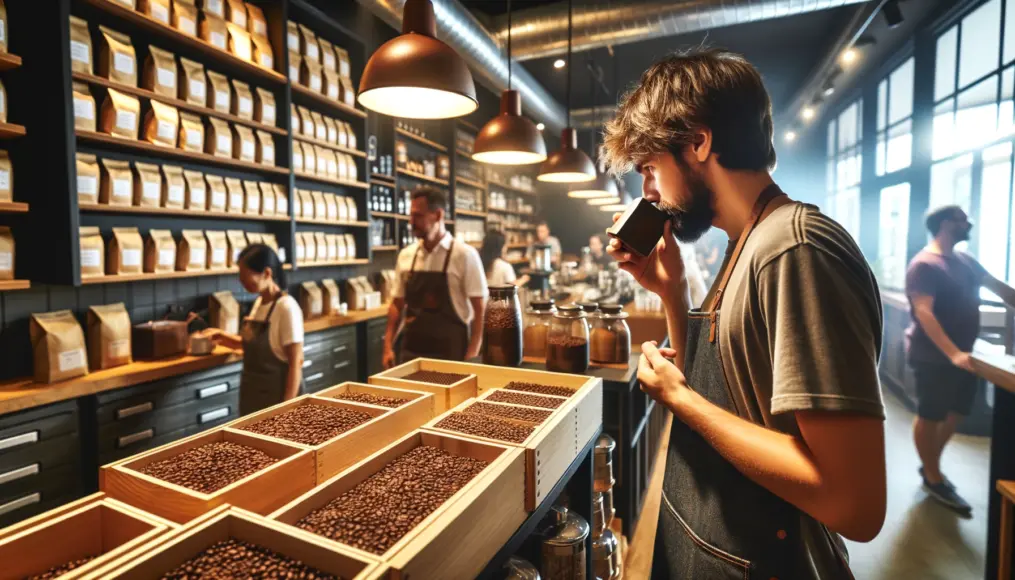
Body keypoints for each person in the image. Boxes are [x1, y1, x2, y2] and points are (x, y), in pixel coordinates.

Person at [601, 48, 886, 579]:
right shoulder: (746, 242)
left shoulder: (794, 250)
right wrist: (671, 291)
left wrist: (679, 399)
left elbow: (855, 503)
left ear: (698, 142)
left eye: (649, 167)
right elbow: (729, 400)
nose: (648, 191)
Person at [905, 205, 1015, 514]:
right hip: (934, 356)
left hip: (965, 355)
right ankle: (933, 476)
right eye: (961, 219)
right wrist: (952, 353)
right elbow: (923, 312)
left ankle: (930, 468)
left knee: (955, 413)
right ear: (944, 224)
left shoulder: (965, 260)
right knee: (931, 414)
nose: (968, 223)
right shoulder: (924, 265)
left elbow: (1001, 289)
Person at [383, 186, 488, 367]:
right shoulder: (407, 255)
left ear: (438, 215)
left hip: (451, 352)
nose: (411, 222)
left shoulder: (464, 255)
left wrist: (472, 355)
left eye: (418, 216)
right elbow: (396, 305)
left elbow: (481, 310)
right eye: (411, 215)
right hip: (412, 353)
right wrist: (387, 347)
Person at [204, 244, 304, 415]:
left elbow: (296, 363)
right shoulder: (259, 303)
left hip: (276, 401)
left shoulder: (287, 308)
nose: (241, 280)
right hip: (253, 400)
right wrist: (222, 337)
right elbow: (252, 347)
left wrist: (286, 410)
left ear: (266, 273)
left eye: (245, 275)